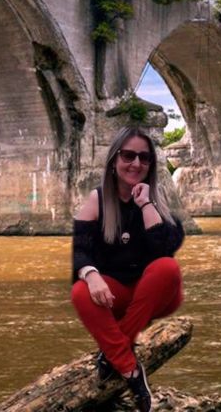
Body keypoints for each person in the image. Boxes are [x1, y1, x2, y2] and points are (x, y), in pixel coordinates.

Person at [71, 126, 185, 412]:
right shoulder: (97, 200)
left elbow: (163, 250)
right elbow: (80, 251)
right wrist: (92, 275)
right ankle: (131, 371)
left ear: (151, 165)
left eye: (144, 158)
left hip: (157, 296)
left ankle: (111, 354)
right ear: (114, 160)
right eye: (128, 155)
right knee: (81, 291)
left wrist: (146, 204)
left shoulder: (159, 199)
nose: (136, 163)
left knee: (167, 267)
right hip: (117, 295)